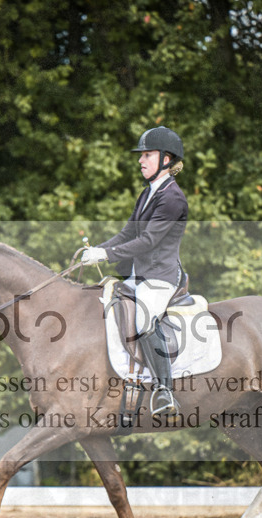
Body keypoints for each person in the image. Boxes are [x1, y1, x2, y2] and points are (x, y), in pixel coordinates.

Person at [81, 125, 188, 417]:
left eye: (148, 155)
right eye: (141, 155)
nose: (141, 161)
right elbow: (128, 234)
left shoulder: (172, 198)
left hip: (160, 279)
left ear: (167, 159)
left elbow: (148, 241)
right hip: (138, 277)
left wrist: (106, 253)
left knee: (142, 321)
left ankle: (164, 392)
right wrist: (96, 253)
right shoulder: (148, 193)